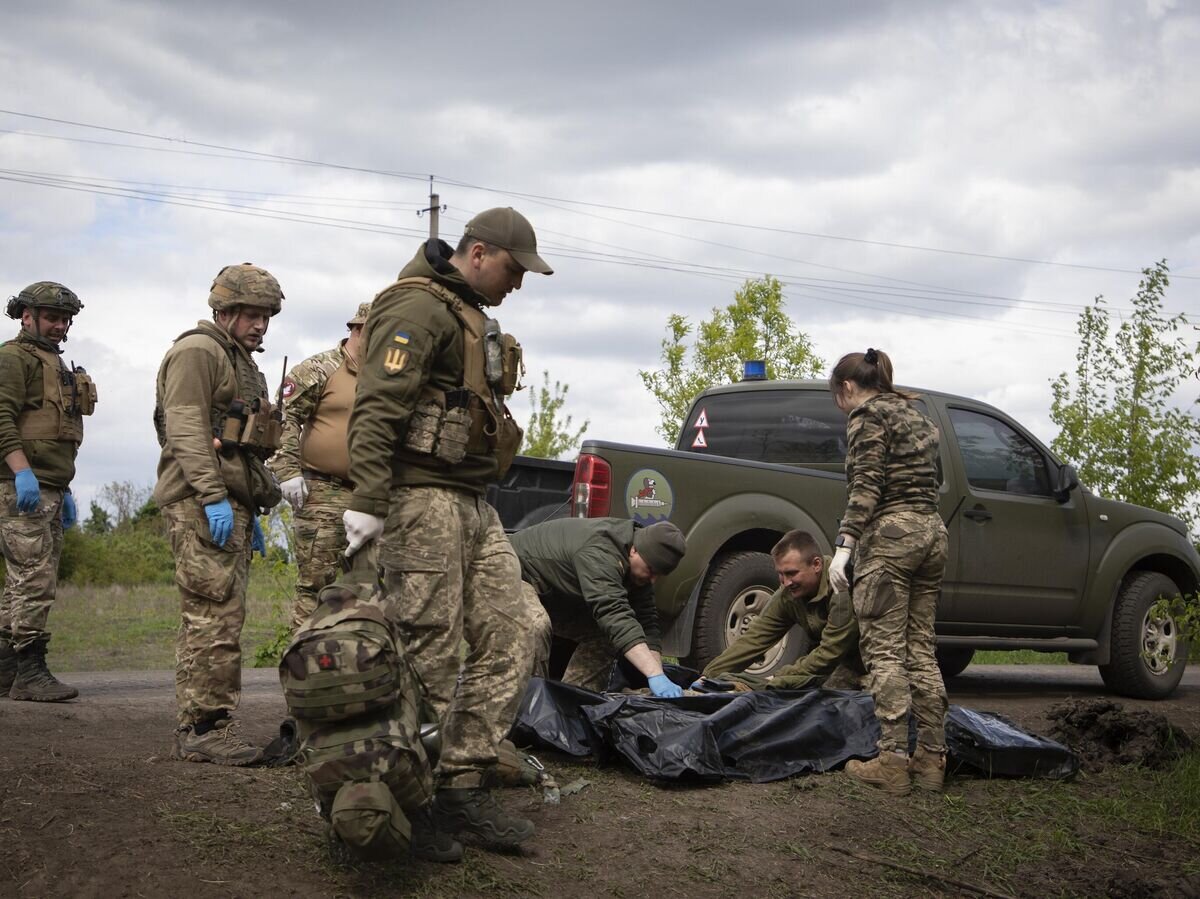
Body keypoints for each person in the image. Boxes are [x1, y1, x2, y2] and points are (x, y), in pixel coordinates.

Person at [343, 208, 553, 848]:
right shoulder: (419, 308)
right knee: (427, 651)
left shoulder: (469, 316)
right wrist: (369, 499)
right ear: (480, 253)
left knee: (521, 625)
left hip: (470, 499)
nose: (519, 283)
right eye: (515, 269)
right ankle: (413, 800)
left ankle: (461, 781)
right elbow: (377, 404)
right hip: (420, 498)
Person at [153, 263, 285, 766]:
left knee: (219, 615)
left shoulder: (241, 361)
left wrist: (253, 501)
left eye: (266, 316)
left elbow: (243, 443)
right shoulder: (198, 351)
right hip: (202, 501)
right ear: (224, 310)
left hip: (231, 502)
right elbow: (184, 427)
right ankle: (206, 727)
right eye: (251, 314)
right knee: (212, 618)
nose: (260, 325)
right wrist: (211, 496)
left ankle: (201, 724)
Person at [828, 348, 948, 795]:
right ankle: (932, 761)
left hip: (892, 539)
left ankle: (892, 762)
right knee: (921, 648)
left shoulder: (867, 416)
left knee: (885, 652)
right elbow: (931, 481)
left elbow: (867, 485)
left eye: (836, 396)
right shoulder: (919, 415)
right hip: (932, 533)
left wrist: (844, 547)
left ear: (847, 387)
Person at [0, 282, 96, 702]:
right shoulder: (13, 358)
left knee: (22, 581)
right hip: (23, 487)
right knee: (34, 580)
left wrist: (63, 488)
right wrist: (22, 474)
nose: (59, 326)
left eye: (64, 319)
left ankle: (5, 669)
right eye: (51, 317)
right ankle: (29, 671)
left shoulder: (53, 363)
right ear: (27, 316)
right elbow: (1, 417)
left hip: (51, 486)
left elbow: (55, 432)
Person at [269, 302, 372, 632]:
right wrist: (287, 471)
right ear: (357, 329)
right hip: (322, 492)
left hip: (371, 496)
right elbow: (284, 417)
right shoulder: (320, 368)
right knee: (316, 585)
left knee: (369, 587)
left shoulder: (389, 376)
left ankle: (354, 669)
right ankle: (303, 670)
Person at [511, 517, 687, 696]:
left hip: (551, 590)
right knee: (534, 624)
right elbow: (613, 613)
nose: (652, 579)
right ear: (634, 550)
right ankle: (526, 704)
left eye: (658, 574)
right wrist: (653, 674)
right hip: (512, 573)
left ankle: (572, 701)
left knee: (607, 636)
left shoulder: (639, 564)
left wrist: (658, 675)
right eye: (651, 570)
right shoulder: (600, 551)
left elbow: (647, 622)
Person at [695, 529, 865, 692]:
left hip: (876, 659)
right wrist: (708, 676)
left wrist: (778, 678)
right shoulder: (788, 595)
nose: (786, 582)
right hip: (844, 663)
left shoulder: (841, 586)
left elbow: (830, 652)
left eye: (792, 573)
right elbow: (754, 639)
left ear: (816, 565)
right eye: (781, 574)